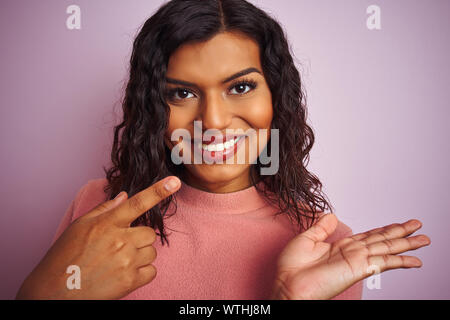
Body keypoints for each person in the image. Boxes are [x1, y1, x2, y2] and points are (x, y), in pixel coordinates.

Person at [16, 0, 430, 300]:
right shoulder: (96, 208)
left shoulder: (328, 250)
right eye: (181, 93)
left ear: (277, 99)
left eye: (241, 87)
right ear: (153, 109)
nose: (212, 121)